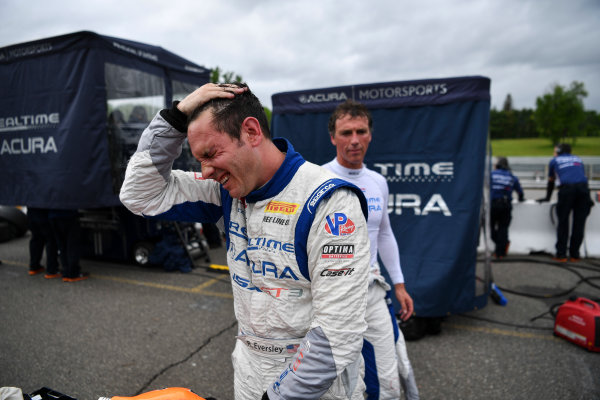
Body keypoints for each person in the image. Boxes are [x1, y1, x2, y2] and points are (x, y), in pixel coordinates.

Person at [119, 83, 371, 400]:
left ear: (251, 132)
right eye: (199, 160)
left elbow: (336, 335)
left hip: (320, 387)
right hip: (251, 374)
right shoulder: (227, 189)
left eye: (210, 154)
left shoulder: (328, 202)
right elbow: (139, 194)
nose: (206, 171)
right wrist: (176, 116)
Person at [323, 100, 419, 400]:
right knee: (341, 379)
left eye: (361, 131)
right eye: (346, 132)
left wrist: (400, 285)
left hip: (372, 290)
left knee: (387, 376)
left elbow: (385, 233)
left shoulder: (378, 181)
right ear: (333, 137)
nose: (354, 140)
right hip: (332, 296)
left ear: (370, 135)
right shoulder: (317, 178)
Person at [538, 143, 593, 261]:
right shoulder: (578, 159)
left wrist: (547, 197)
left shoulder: (555, 160)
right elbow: (582, 176)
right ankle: (575, 255)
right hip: (583, 191)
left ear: (558, 151)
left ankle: (561, 255)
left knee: (563, 222)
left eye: (554, 151)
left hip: (567, 190)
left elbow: (551, 181)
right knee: (579, 223)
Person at [490, 157, 524, 259]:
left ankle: (500, 248)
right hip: (506, 205)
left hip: (494, 204)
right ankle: (501, 251)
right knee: (503, 228)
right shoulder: (512, 177)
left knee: (489, 227)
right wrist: (521, 199)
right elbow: (520, 192)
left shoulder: (491, 175)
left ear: (497, 165)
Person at [48, 209, 88, 282]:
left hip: (53, 216)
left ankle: (66, 271)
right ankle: (73, 273)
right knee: (72, 245)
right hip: (68, 215)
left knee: (62, 245)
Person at [26, 207, 60, 278]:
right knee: (51, 241)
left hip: (31, 214)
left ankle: (34, 266)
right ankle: (52, 269)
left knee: (36, 238)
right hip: (43, 214)